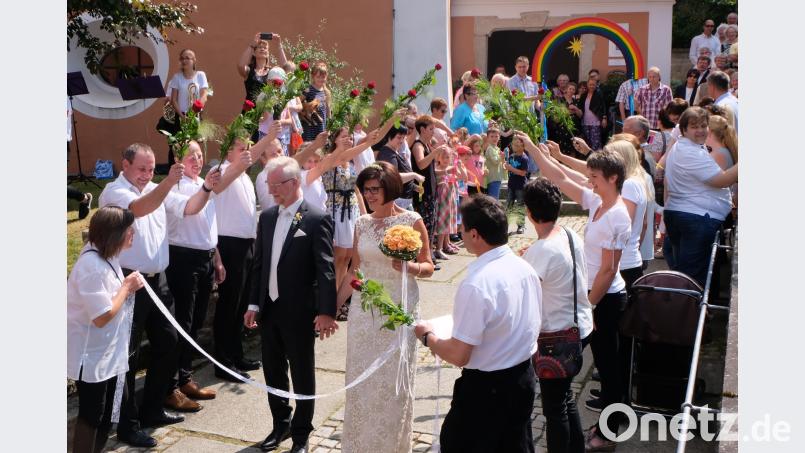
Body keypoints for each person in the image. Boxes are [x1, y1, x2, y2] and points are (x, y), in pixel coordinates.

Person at [99, 143, 219, 448]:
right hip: (128, 282)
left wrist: (205, 186)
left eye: (151, 169)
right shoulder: (115, 191)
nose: (146, 175)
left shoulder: (156, 188)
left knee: (169, 342)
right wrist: (166, 182)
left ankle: (152, 409)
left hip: (158, 281)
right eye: (141, 169)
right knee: (127, 355)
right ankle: (126, 425)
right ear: (124, 164)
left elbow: (189, 207)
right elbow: (139, 208)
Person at [518, 133, 631, 451]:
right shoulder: (598, 202)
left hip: (605, 299)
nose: (589, 180)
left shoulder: (618, 214)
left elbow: (609, 270)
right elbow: (559, 176)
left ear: (612, 179)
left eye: (594, 177)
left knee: (609, 370)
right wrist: (533, 150)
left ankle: (610, 431)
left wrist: (589, 304)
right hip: (592, 297)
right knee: (577, 383)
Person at [414, 195, 542, 453]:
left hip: (487, 390)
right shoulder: (524, 267)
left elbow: (459, 355)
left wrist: (427, 337)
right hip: (522, 378)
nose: (459, 232)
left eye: (461, 228)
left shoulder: (477, 283)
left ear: (475, 235)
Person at [337, 162, 435, 452]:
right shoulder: (361, 224)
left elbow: (429, 266)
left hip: (399, 307)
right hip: (365, 312)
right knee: (360, 379)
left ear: (389, 187)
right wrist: (330, 309)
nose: (369, 195)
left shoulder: (411, 221)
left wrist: (410, 267)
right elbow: (355, 272)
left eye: (375, 189)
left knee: (393, 383)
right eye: (366, 189)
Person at [242, 156, 337, 453]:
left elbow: (325, 269)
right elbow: (260, 265)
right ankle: (280, 423)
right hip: (269, 309)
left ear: (294, 183)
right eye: (269, 186)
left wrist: (325, 311)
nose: (271, 192)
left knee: (302, 371)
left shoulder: (316, 218)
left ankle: (301, 433)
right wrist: (254, 304)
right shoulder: (268, 217)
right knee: (273, 371)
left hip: (300, 310)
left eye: (276, 185)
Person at [521, 177, 594, 453]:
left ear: (529, 212)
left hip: (557, 336)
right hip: (580, 326)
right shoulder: (569, 233)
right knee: (565, 398)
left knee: (554, 408)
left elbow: (527, 295)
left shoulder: (541, 251)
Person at [68, 206, 143, 453]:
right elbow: (101, 317)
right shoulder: (91, 266)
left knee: (104, 413)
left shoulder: (107, 256)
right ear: (114, 234)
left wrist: (124, 287)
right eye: (128, 229)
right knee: (92, 415)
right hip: (90, 356)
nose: (133, 233)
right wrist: (127, 288)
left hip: (105, 352)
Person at [212, 123, 282, 383]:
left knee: (241, 303)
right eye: (241, 149)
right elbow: (234, 170)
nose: (247, 153)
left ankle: (236, 353)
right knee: (229, 304)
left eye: (248, 149)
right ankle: (224, 360)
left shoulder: (242, 175)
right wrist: (268, 139)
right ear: (228, 151)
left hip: (246, 243)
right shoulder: (222, 170)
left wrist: (270, 137)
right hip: (229, 244)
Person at [164, 141, 225, 411]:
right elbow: (192, 207)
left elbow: (210, 225)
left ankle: (185, 377)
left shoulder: (203, 181)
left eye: (200, 155)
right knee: (183, 323)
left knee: (197, 320)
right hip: (182, 258)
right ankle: (171, 386)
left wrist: (217, 258)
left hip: (205, 256)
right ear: (178, 158)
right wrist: (207, 188)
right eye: (192, 156)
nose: (198, 160)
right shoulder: (174, 187)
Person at [663, 107, 738, 285]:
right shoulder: (690, 152)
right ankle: (690, 311)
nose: (701, 130)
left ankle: (686, 309)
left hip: (687, 215)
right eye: (694, 126)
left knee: (686, 273)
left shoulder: (688, 147)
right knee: (693, 278)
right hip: (695, 218)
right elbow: (722, 180)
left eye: (704, 126)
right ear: (683, 130)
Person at [166, 49, 209, 164]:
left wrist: (196, 109)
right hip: (181, 115)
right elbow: (174, 99)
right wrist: (182, 116)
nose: (184, 60)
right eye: (182, 58)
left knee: (194, 144)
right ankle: (175, 168)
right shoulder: (177, 77)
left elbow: (204, 94)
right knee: (178, 144)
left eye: (188, 58)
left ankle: (194, 167)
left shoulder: (200, 75)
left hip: (196, 114)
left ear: (194, 61)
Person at [375, 124, 426, 210]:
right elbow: (393, 178)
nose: (401, 141)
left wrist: (414, 187)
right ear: (389, 137)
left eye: (403, 138)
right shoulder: (387, 154)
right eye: (399, 137)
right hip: (397, 203)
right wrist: (414, 175)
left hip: (404, 202)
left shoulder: (394, 152)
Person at [238, 32, 287, 105]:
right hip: (250, 112)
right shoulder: (249, 71)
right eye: (259, 47)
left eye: (265, 48)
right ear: (254, 53)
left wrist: (279, 44)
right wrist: (252, 45)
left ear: (268, 53)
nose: (262, 49)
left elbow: (286, 68)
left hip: (266, 111)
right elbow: (241, 65)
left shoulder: (272, 72)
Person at [504, 135, 529, 235]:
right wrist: (505, 165)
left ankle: (521, 226)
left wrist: (511, 169)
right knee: (508, 204)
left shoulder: (524, 158)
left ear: (523, 146)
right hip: (511, 185)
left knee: (520, 205)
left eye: (517, 144)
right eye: (514, 144)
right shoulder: (511, 156)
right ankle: (505, 226)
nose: (515, 146)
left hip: (520, 186)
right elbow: (508, 168)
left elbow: (523, 173)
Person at [300, 62, 331, 141]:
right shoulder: (308, 90)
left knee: (320, 149)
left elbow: (328, 110)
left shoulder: (326, 91)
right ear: (313, 77)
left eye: (323, 77)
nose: (321, 79)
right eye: (318, 77)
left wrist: (329, 127)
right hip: (310, 127)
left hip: (321, 126)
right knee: (309, 146)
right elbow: (299, 102)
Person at [577, 78, 607, 151]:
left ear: (596, 85)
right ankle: (587, 159)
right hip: (585, 122)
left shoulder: (599, 94)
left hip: (595, 122)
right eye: (590, 84)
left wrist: (604, 118)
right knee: (587, 142)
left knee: (595, 142)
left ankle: (597, 159)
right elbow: (580, 107)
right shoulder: (584, 95)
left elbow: (603, 107)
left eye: (593, 85)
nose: (591, 86)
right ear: (587, 85)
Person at [482, 127, 506, 199]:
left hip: (496, 177)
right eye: (492, 136)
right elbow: (495, 161)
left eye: (496, 136)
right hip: (492, 178)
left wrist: (503, 161)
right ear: (488, 138)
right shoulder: (490, 148)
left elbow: (500, 163)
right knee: (494, 199)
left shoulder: (497, 148)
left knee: (494, 198)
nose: (494, 138)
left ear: (499, 137)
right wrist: (501, 157)